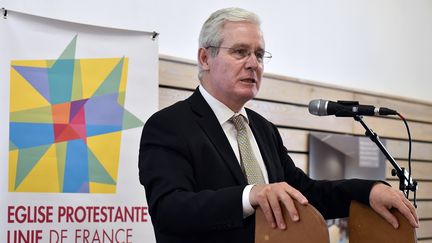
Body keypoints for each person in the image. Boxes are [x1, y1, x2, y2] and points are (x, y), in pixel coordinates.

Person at [138, 7, 418, 243]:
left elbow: (304, 194)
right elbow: (169, 210)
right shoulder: (168, 126)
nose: (253, 64)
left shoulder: (263, 129)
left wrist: (367, 191)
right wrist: (251, 195)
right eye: (240, 52)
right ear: (205, 58)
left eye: (259, 55)